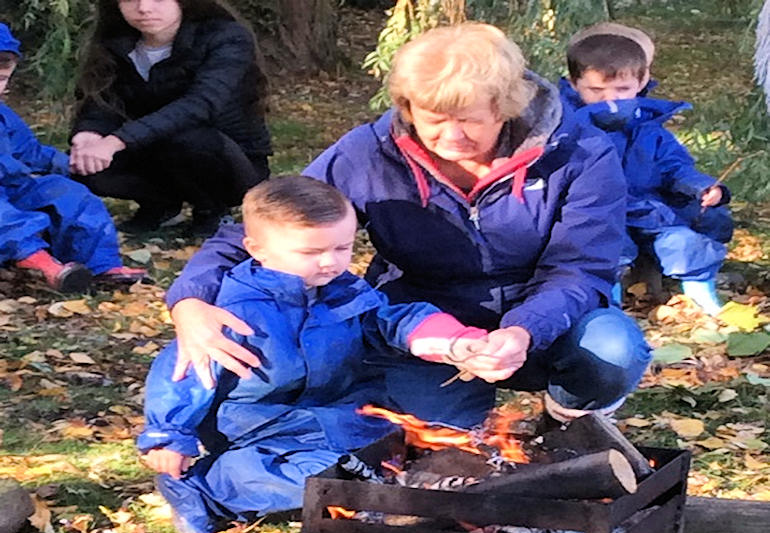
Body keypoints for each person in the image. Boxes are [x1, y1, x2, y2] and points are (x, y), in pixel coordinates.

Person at [165, 23, 652, 428]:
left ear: (505, 108)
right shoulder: (367, 153)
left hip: (547, 320)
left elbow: (579, 268)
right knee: (429, 436)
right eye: (434, 119)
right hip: (423, 323)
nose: (452, 136)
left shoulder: (581, 153)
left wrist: (523, 330)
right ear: (406, 107)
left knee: (612, 350)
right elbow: (272, 222)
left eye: (469, 120)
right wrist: (188, 300)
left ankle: (565, 420)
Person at [138, 175, 494, 533]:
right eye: (311, 252)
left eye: (342, 248)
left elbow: (388, 319)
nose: (330, 262)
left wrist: (451, 340)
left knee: (386, 459)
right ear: (256, 249)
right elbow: (182, 373)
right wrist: (167, 434)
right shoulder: (234, 312)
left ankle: (381, 489)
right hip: (259, 435)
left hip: (341, 420)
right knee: (306, 480)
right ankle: (206, 491)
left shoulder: (343, 291)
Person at [559, 25, 733, 315]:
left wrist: (701, 187)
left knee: (685, 240)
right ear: (575, 84)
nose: (609, 99)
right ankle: (606, 302)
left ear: (642, 82)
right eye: (596, 90)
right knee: (603, 245)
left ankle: (701, 289)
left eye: (622, 89)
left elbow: (674, 165)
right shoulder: (566, 126)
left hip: (647, 205)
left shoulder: (648, 125)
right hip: (594, 208)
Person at [70, 0, 271, 235]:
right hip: (156, 151)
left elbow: (200, 105)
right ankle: (161, 206)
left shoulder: (226, 37)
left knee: (188, 139)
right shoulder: (115, 42)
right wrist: (88, 136)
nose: (144, 7)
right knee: (84, 166)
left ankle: (212, 209)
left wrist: (116, 141)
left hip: (228, 158)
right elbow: (102, 101)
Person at [0, 23, 146, 292]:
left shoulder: (4, 116)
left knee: (69, 195)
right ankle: (39, 263)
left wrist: (73, 165)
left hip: (13, 187)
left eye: (1, 79)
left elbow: (31, 153)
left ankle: (101, 265)